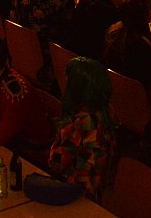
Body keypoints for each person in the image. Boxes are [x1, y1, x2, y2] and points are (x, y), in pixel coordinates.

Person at [48, 57, 115, 198]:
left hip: (75, 194)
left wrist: (59, 132)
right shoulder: (104, 116)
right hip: (95, 193)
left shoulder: (80, 123)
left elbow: (55, 164)